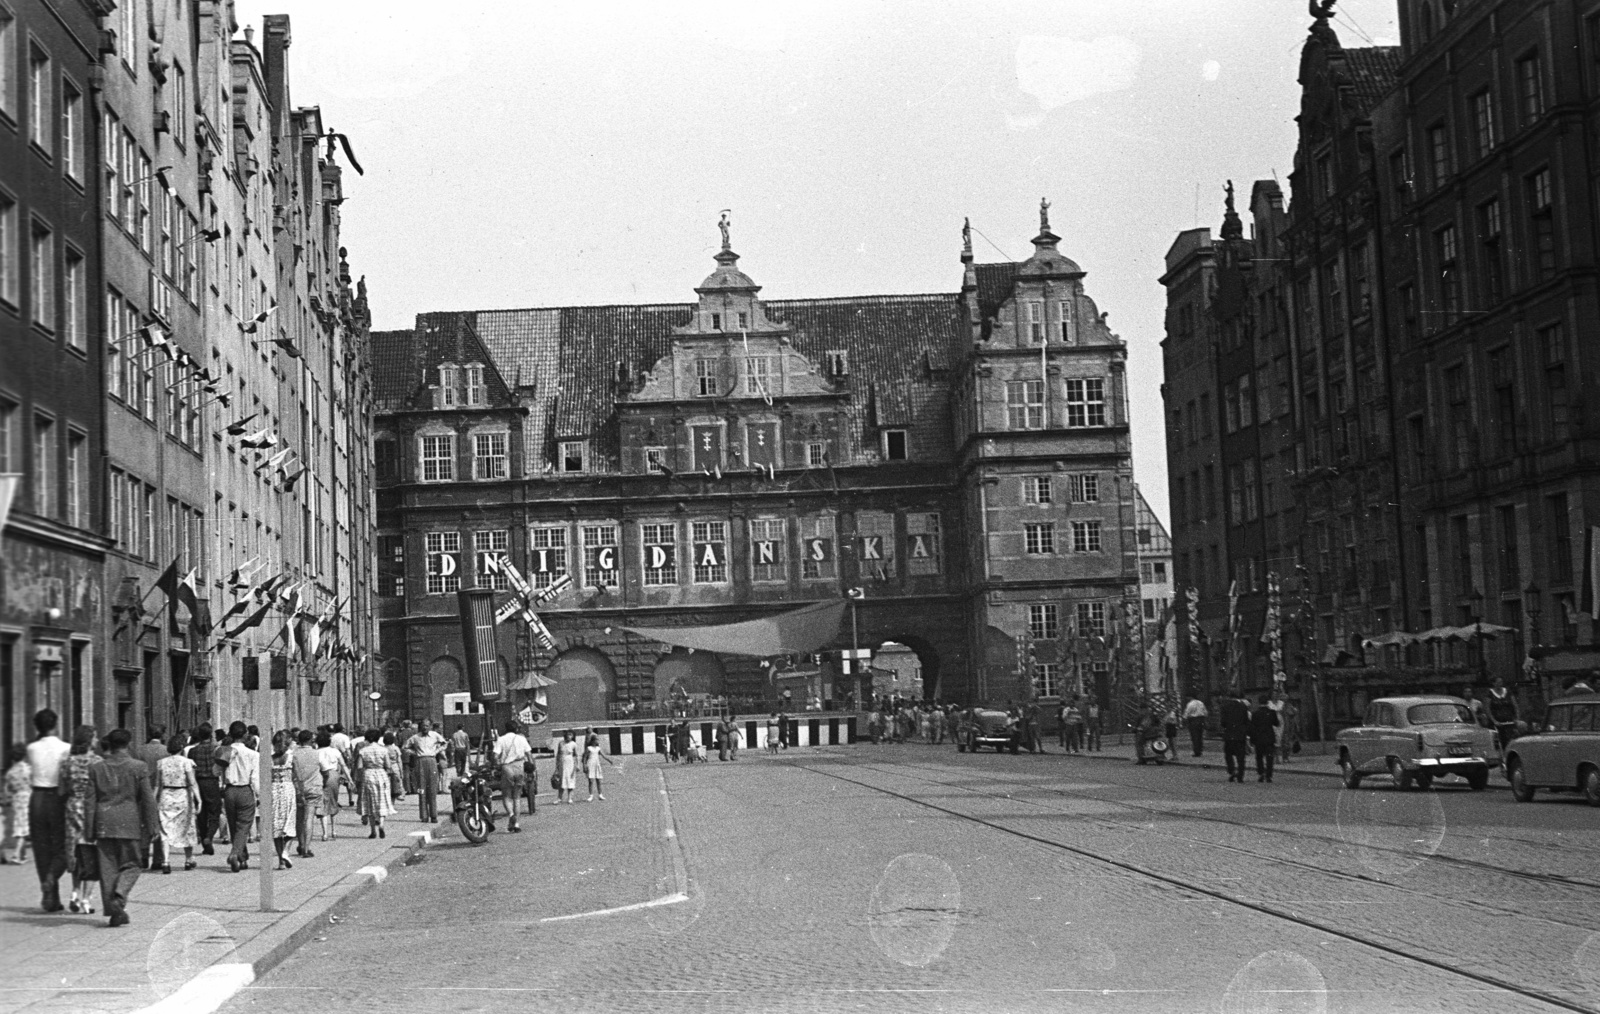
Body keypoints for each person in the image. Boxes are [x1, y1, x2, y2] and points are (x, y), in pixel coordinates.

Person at [85, 728, 158, 927]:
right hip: (129, 821)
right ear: (128, 743)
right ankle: (120, 895)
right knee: (133, 864)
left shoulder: (97, 768)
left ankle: (114, 910)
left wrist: (88, 828)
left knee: (107, 868)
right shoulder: (139, 767)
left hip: (103, 821)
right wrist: (153, 825)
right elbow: (148, 799)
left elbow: (90, 801)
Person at [26, 709, 73, 911]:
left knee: (41, 847)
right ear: (56, 724)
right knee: (62, 845)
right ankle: (52, 877)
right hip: (57, 797)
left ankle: (50, 898)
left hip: (36, 798)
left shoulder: (31, 748)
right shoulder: (66, 748)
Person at [59, 726, 101, 912]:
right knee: (91, 853)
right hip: (92, 809)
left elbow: (61, 789)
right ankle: (86, 900)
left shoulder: (68, 762)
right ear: (90, 740)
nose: (97, 740)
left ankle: (74, 893)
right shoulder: (98, 762)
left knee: (75, 851)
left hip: (72, 807)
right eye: (95, 737)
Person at [216, 721, 260, 872]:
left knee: (234, 825)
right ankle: (235, 854)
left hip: (229, 791)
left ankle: (243, 857)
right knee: (244, 825)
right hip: (245, 790)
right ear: (245, 734)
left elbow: (216, 772)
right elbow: (255, 778)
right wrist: (260, 795)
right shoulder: (253, 754)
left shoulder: (223, 751)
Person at [154, 735, 201, 874]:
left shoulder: (161, 763)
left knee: (165, 828)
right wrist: (199, 799)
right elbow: (192, 782)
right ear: (181, 747)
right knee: (187, 826)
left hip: (166, 796)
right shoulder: (187, 762)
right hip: (183, 796)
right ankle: (188, 859)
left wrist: (153, 799)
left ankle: (166, 861)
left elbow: (157, 784)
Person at [186, 725, 221, 856]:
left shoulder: (192, 751)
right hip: (212, 782)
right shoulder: (216, 750)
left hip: (198, 782)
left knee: (201, 813)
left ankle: (205, 841)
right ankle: (209, 836)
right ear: (211, 734)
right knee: (214, 812)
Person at [355, 729, 395, 839]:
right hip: (381, 775)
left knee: (370, 802)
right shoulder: (383, 750)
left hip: (368, 775)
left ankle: (373, 831)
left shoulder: (363, 751)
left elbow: (359, 767)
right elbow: (388, 765)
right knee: (382, 800)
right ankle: (381, 824)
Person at [492, 722, 532, 830]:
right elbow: (529, 754)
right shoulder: (521, 739)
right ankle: (516, 824)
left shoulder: (501, 739)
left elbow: (495, 756)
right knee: (517, 797)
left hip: (507, 767)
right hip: (519, 766)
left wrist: (497, 764)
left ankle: (510, 815)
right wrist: (532, 767)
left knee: (506, 795)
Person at [405, 720, 446, 823]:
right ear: (420, 727)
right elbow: (405, 747)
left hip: (432, 760)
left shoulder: (435, 735)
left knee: (432, 789)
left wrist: (437, 751)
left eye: (427, 726)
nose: (425, 728)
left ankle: (434, 815)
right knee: (421, 789)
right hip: (420, 762)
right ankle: (424, 815)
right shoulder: (415, 737)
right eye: (423, 726)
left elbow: (444, 743)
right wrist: (414, 753)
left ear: (430, 726)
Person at [268, 732, 298, 869]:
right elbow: (297, 776)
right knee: (290, 823)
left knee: (276, 826)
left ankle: (280, 860)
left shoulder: (270, 759)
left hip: (273, 791)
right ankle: (286, 851)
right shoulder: (291, 757)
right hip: (287, 790)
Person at [290, 731, 321, 858]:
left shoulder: (293, 754)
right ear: (310, 740)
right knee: (309, 818)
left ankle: (301, 844)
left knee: (299, 818)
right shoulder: (317, 753)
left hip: (298, 788)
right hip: (314, 787)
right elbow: (324, 769)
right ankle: (307, 848)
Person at [315, 730, 349, 842]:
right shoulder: (335, 751)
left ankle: (324, 833)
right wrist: (350, 779)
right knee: (333, 801)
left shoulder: (316, 752)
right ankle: (334, 831)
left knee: (322, 804)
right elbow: (343, 765)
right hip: (334, 776)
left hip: (321, 776)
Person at [4, 744, 29, 865]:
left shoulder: (10, 772)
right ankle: (16, 854)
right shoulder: (27, 769)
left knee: (20, 825)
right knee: (23, 829)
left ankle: (23, 855)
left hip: (16, 799)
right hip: (27, 798)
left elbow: (7, 789)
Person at [1219, 693, 1251, 783]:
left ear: (1229, 697)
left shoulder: (1225, 707)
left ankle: (1232, 770)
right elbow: (1246, 721)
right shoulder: (1243, 707)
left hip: (1229, 734)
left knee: (1228, 754)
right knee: (1241, 757)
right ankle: (1240, 775)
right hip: (1240, 735)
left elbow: (1223, 722)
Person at [1250, 694, 1280, 783]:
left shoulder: (1255, 714)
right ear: (1267, 702)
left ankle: (1261, 772)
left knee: (1259, 757)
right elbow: (1276, 723)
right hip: (1269, 737)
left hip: (1258, 738)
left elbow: (1253, 727)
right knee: (1269, 758)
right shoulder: (1272, 712)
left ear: (1259, 702)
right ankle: (1269, 775)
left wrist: (1252, 739)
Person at [1486, 678, 1519, 751]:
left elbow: (1515, 706)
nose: (1499, 684)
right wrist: (1494, 721)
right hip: (1497, 722)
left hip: (1509, 721)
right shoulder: (1490, 693)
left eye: (1500, 682)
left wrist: (1516, 718)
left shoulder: (1508, 692)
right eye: (1497, 682)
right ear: (1494, 683)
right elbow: (1488, 709)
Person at [554, 729, 580, 801]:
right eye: (568, 734)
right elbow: (558, 754)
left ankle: (570, 798)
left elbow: (576, 755)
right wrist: (557, 765)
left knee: (570, 779)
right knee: (561, 780)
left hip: (570, 762)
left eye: (571, 735)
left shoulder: (574, 744)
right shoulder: (561, 743)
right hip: (562, 762)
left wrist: (577, 765)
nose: (569, 736)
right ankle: (559, 798)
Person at [583, 735, 605, 802]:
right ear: (593, 741)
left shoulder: (598, 748)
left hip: (597, 764)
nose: (597, 741)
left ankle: (600, 795)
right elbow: (585, 757)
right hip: (590, 764)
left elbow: (603, 755)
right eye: (596, 740)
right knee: (591, 781)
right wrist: (584, 765)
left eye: (598, 740)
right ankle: (591, 795)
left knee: (598, 780)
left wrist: (609, 760)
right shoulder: (589, 748)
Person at [382, 731, 404, 802]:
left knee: (386, 786)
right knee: (395, 786)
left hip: (385, 768)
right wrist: (401, 771)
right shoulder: (396, 748)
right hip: (395, 767)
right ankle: (396, 798)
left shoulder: (382, 748)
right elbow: (399, 761)